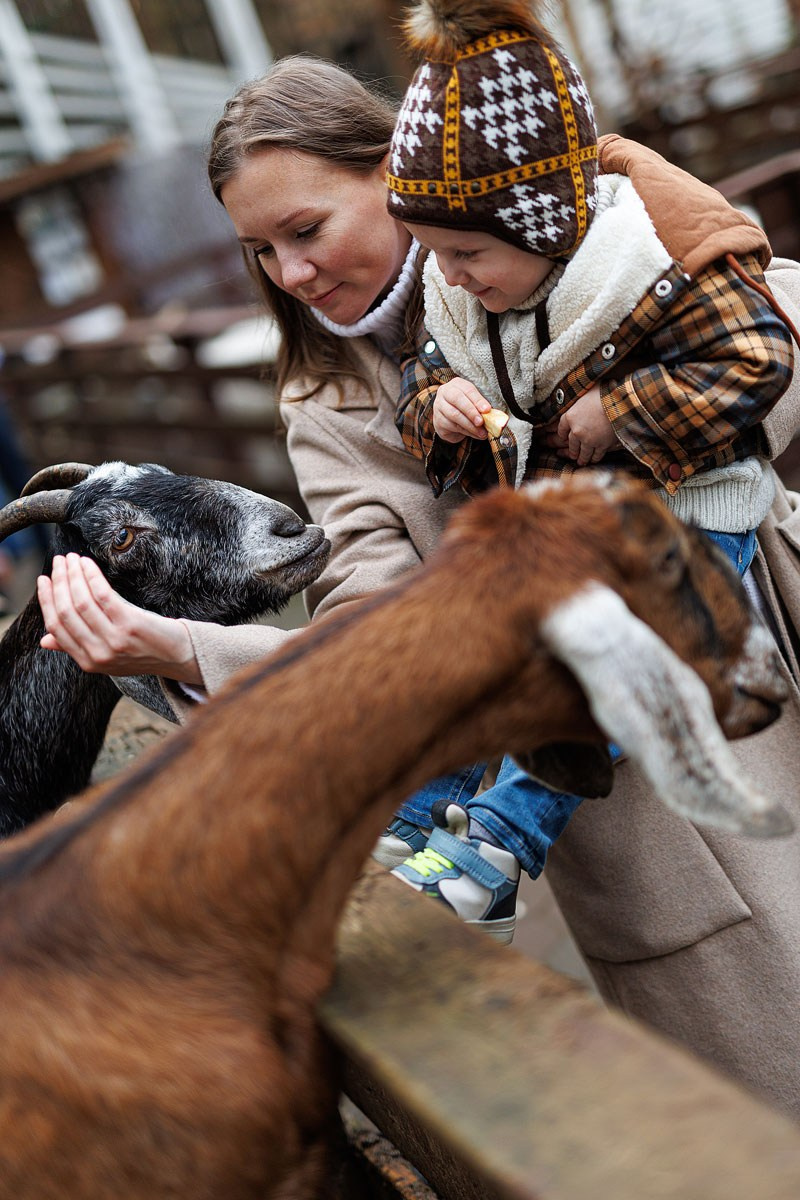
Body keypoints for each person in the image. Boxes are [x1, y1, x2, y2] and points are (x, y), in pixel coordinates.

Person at [33, 53, 800, 1120]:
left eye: (306, 230)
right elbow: (370, 613)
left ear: (389, 170)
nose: (290, 275)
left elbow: (769, 337)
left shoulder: (594, 225)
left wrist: (617, 425)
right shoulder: (328, 396)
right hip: (651, 817)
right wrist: (178, 649)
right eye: (261, 251)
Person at [376, 0, 794, 940]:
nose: (451, 273)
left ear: (538, 219)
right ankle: (406, 817)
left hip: (686, 513)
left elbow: (759, 358)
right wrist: (434, 408)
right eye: (437, 253)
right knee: (465, 637)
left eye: (467, 252)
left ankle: (493, 851)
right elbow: (426, 369)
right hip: (560, 522)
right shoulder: (471, 286)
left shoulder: (651, 266)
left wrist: (625, 410)